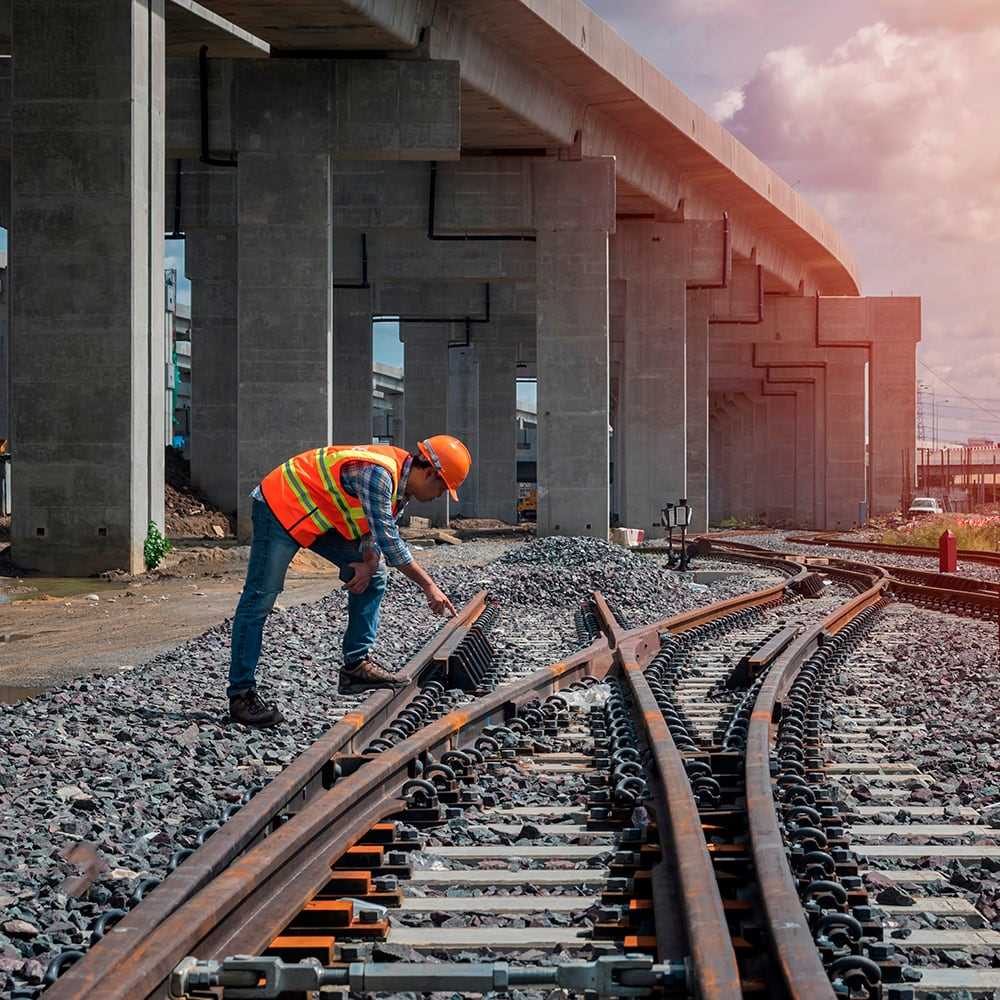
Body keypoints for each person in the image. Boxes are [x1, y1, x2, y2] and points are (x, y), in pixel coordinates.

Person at [227, 435, 472, 728]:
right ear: (430, 472)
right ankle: (241, 695)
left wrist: (369, 563)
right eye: (442, 487)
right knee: (260, 599)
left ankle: (356, 666)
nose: (439, 496)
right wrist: (429, 586)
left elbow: (374, 529)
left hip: (317, 518)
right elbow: (391, 545)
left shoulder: (400, 488)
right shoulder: (379, 474)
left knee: (375, 574)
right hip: (280, 505)